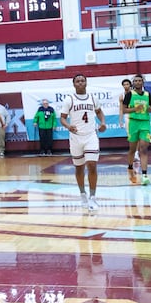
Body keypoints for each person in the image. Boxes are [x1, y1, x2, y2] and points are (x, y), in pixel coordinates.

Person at [59, 73, 107, 212]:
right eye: (77, 81)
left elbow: (99, 112)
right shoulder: (69, 99)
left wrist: (103, 123)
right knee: (79, 167)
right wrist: (68, 126)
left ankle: (93, 197)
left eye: (82, 81)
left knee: (92, 165)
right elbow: (62, 118)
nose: (80, 83)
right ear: (74, 84)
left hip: (91, 135)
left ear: (86, 83)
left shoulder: (93, 98)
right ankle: (82, 194)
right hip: (75, 137)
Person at [124, 73, 151, 185]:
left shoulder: (147, 94)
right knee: (132, 149)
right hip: (133, 123)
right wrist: (135, 109)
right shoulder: (129, 95)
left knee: (144, 149)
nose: (137, 82)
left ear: (142, 82)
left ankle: (145, 175)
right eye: (135, 81)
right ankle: (130, 168)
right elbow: (124, 110)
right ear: (133, 83)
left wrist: (150, 109)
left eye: (139, 81)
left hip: (145, 123)